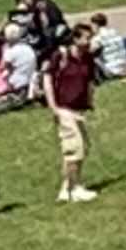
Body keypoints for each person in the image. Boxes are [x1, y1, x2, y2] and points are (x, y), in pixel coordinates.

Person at [45, 26, 98, 203]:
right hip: (64, 109)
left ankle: (66, 187)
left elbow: (89, 80)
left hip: (79, 109)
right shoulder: (61, 56)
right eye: (86, 38)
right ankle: (75, 188)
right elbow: (48, 79)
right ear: (75, 39)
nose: (89, 42)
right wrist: (54, 107)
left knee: (82, 147)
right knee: (75, 148)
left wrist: (90, 101)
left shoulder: (88, 58)